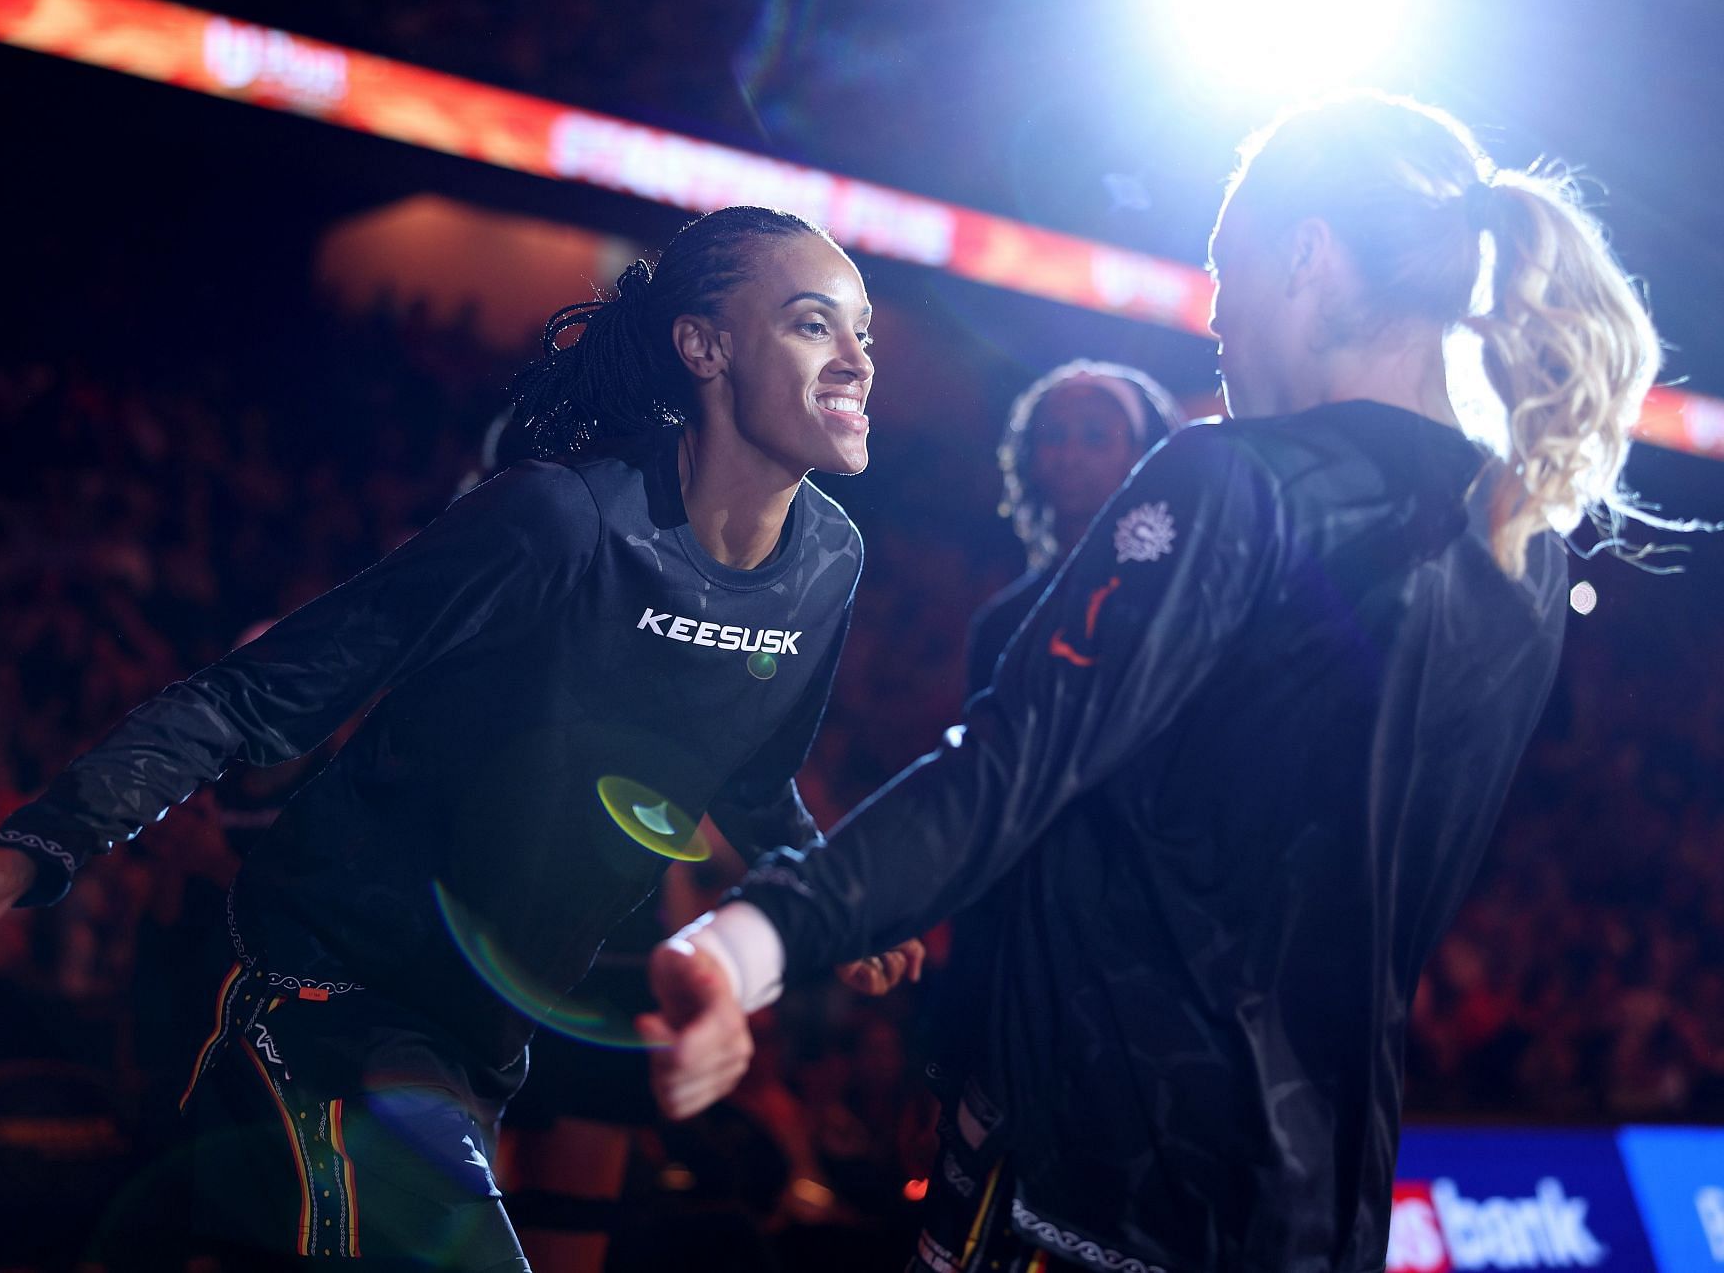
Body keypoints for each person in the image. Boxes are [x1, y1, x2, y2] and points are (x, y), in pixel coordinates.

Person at [639, 91, 1665, 1273]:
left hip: (1098, 1182)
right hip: (1317, 1209)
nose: (1216, 320)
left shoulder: (1239, 479)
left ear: (1307, 255)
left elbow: (1011, 766)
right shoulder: (1520, 546)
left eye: (1227, 273)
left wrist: (749, 937)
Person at [0, 204, 893, 1270]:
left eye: (865, 332)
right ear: (705, 345)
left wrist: (833, 898)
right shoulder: (558, 520)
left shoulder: (830, 559)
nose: (858, 360)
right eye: (815, 325)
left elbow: (758, 779)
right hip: (330, 1002)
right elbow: (256, 694)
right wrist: (34, 848)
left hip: (484, 1042)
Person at [966, 361, 1183, 695]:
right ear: (1030, 458)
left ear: (1141, 456)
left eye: (1095, 437)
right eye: (1053, 436)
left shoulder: (1173, 602)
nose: (1069, 455)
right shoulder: (1003, 624)